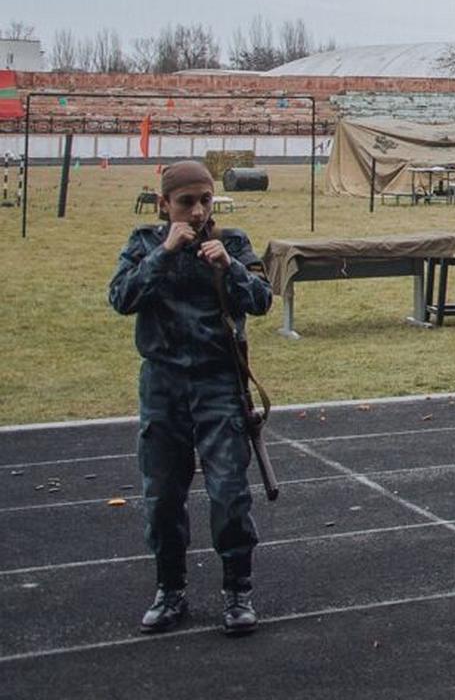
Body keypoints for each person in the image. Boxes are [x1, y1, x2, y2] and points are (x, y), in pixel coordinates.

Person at [108, 160, 274, 636]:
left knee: (228, 491)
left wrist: (230, 267)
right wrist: (164, 253)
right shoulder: (144, 242)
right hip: (162, 384)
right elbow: (121, 298)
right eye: (187, 202)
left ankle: (238, 590)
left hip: (218, 382)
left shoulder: (234, 243)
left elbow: (262, 300)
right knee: (162, 495)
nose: (198, 211)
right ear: (164, 205)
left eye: (205, 200)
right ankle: (170, 589)